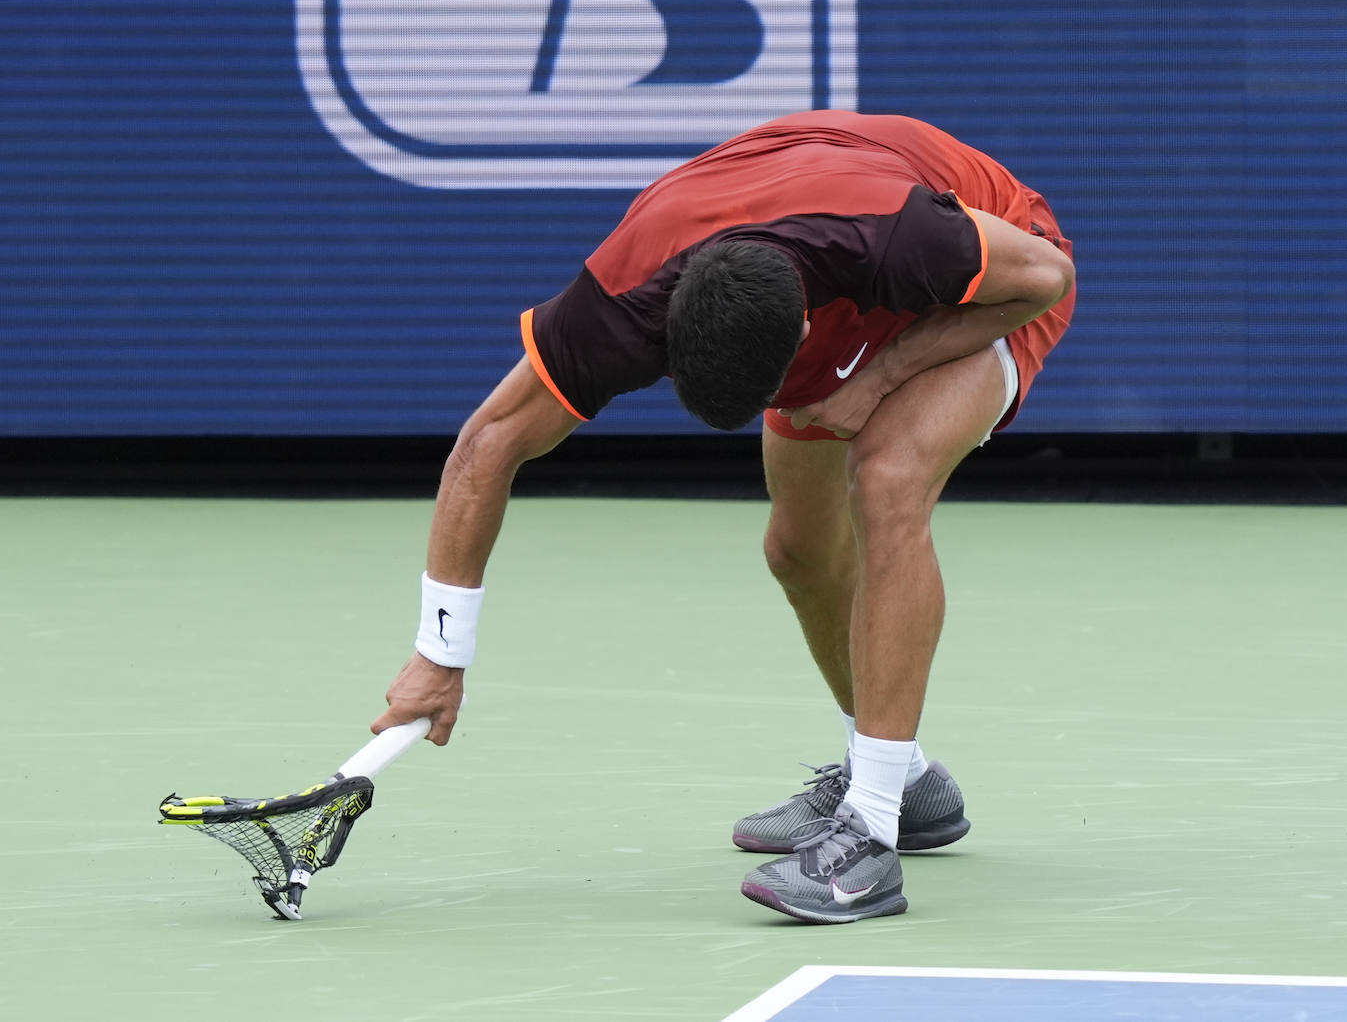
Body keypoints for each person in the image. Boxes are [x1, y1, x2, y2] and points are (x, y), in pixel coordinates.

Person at [371, 110, 1076, 924]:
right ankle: (905, 779)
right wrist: (438, 654)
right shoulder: (622, 300)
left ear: (806, 330)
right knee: (799, 551)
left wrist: (880, 377)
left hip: (998, 267)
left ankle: (871, 835)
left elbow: (1044, 277)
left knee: (885, 481)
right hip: (820, 252)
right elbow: (487, 444)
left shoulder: (903, 237)